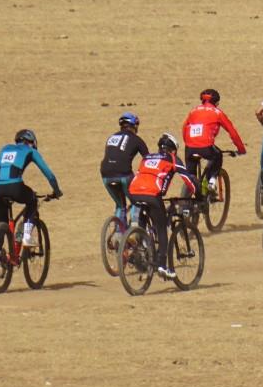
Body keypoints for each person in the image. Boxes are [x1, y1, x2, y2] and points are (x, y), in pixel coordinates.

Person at [127, 133, 197, 281]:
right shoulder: (172, 158)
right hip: (152, 194)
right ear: (173, 150)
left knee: (144, 219)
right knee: (161, 228)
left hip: (133, 191)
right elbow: (187, 178)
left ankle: (140, 247)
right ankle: (161, 265)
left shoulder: (147, 157)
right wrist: (197, 194)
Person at [0, 129, 62, 248]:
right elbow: (49, 174)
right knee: (32, 200)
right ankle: (27, 236)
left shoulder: (5, 148)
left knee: (2, 223)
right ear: (31, 141)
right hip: (14, 185)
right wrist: (57, 191)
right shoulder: (30, 150)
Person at [181, 88, 246, 197]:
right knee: (218, 155)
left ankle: (186, 203)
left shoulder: (193, 111)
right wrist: (241, 149)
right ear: (216, 102)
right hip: (205, 147)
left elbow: (184, 128)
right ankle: (211, 181)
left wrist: (188, 142)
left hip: (189, 147)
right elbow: (232, 132)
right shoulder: (218, 112)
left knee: (190, 175)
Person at [100, 112, 148, 223]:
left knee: (120, 206)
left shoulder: (111, 137)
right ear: (134, 125)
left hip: (105, 174)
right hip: (123, 173)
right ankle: (134, 230)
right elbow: (147, 159)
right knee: (136, 202)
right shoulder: (137, 139)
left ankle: (118, 236)